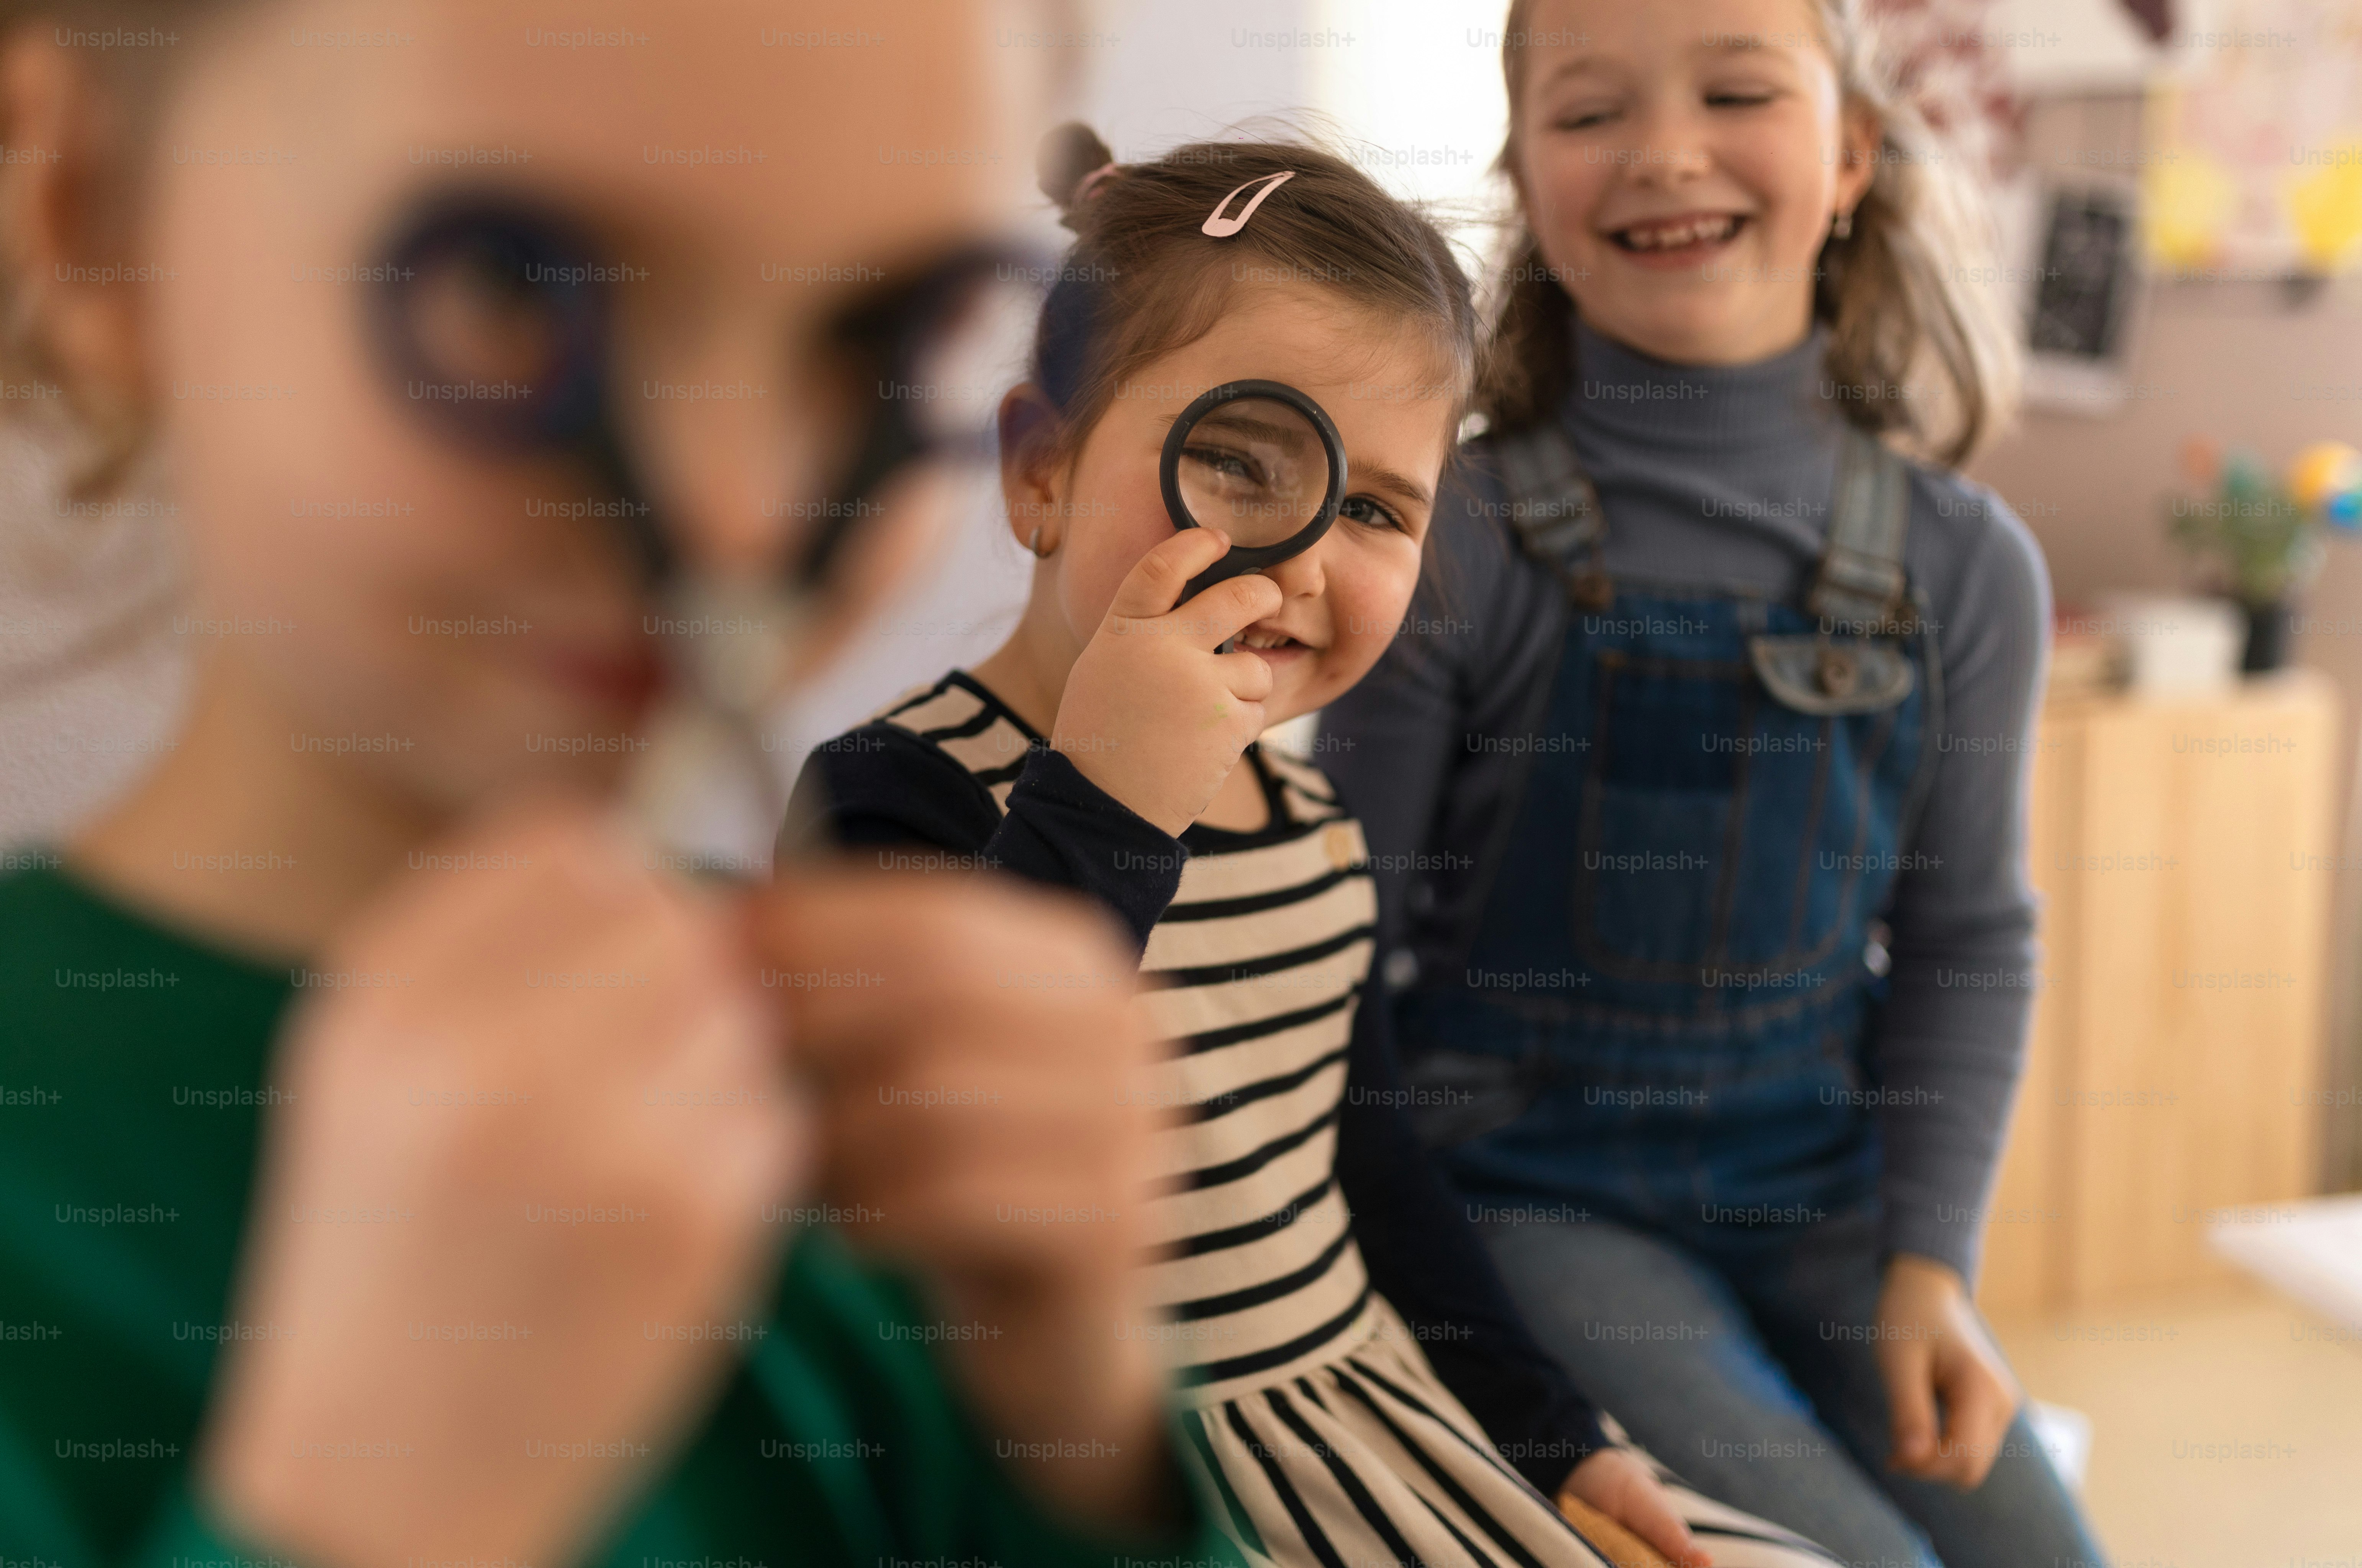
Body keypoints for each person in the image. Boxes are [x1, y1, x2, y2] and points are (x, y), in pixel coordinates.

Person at [0, 4, 1247, 1566]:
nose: (735, 516)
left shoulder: (867, 1111)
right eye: (511, 289)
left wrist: (1084, 1433)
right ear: (89, 216)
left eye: (882, 338)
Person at [794, 125, 1844, 1568]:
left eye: (1375, 511)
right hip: (1122, 1472)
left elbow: (1383, 1184)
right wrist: (1106, 798)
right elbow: (934, 1214)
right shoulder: (889, 799)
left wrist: (1562, 1436)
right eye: (1240, 459)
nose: (1300, 560)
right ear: (1041, 471)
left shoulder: (1316, 835)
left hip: (1381, 1411)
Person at [1320, 5, 2111, 1567]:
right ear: (1525, 175)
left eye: (1736, 89)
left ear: (1852, 155)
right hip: (1533, 1201)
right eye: (1589, 110)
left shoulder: (1966, 564)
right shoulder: (1446, 538)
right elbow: (1338, 949)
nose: (1665, 152)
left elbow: (1968, 939)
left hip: (1824, 1200)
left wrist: (1929, 1265)